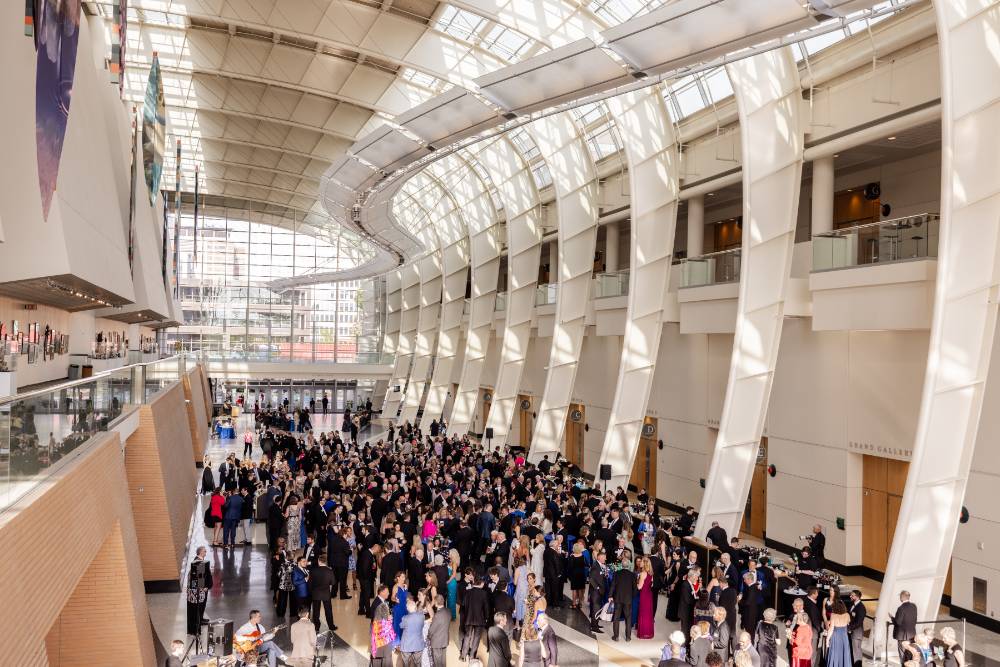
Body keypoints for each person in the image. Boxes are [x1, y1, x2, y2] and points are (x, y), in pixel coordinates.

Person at [462, 573, 491, 661]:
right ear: (481, 583)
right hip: (480, 619)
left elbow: (464, 605)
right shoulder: (484, 594)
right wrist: (487, 617)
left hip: (468, 617)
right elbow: (486, 607)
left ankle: (463, 656)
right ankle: (472, 656)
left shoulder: (468, 592)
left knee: (467, 637)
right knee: (476, 638)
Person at [186, 546, 213, 635]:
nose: (206, 552)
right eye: (204, 551)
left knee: (202, 605)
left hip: (202, 589)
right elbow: (199, 578)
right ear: (200, 552)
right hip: (201, 590)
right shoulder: (198, 563)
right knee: (201, 605)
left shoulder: (199, 561)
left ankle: (201, 618)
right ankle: (199, 620)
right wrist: (205, 587)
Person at [610, 557, 636, 641]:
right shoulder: (632, 575)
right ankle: (628, 637)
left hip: (617, 598)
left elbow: (613, 585)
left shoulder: (616, 573)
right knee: (628, 618)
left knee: (616, 617)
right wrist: (632, 596)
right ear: (628, 565)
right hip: (628, 599)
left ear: (621, 565)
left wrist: (610, 595)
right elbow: (635, 588)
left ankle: (616, 636)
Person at [309, 556, 337, 633]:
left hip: (316, 593)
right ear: (325, 562)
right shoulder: (329, 571)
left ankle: (317, 627)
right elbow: (333, 582)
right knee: (328, 610)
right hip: (326, 594)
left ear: (319, 561)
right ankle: (331, 626)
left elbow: (310, 583)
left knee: (316, 611)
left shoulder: (313, 570)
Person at [892, 590, 918, 661]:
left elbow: (898, 622)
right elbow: (914, 619)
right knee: (910, 653)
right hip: (912, 634)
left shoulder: (901, 608)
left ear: (902, 597)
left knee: (902, 654)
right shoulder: (914, 606)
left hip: (902, 635)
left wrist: (892, 618)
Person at [400, 598, 427, 667]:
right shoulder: (422, 616)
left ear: (407, 608)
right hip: (418, 644)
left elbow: (401, 626)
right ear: (415, 607)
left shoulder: (405, 618)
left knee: (406, 664)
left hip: (406, 645)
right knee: (418, 664)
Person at [825, 599, 852, 667]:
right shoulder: (847, 615)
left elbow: (831, 629)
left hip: (835, 637)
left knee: (835, 654)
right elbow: (848, 624)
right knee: (844, 653)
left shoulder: (833, 615)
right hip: (844, 637)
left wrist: (827, 640)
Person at [589, 550, 609, 632]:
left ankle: (595, 624)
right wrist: (597, 588)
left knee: (597, 609)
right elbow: (591, 579)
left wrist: (605, 574)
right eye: (604, 557)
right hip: (595, 592)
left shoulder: (600, 565)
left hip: (599, 591)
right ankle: (594, 627)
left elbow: (600, 576)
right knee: (595, 609)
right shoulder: (595, 565)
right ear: (599, 557)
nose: (605, 559)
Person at [428, 594, 451, 667]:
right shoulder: (448, 611)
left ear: (436, 603)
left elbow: (431, 630)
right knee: (443, 660)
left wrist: (428, 636)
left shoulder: (437, 615)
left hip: (437, 642)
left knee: (437, 661)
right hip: (445, 639)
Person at [357, 543, 380, 616]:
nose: (377, 553)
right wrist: (367, 579)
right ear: (375, 548)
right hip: (365, 578)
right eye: (378, 551)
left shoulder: (367, 553)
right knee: (366, 594)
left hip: (363, 577)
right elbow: (365, 568)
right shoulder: (368, 555)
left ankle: (361, 609)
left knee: (363, 593)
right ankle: (368, 612)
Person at [637, 556, 655, 639]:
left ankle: (643, 632)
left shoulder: (642, 574)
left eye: (641, 562)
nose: (640, 563)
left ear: (644, 563)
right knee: (648, 614)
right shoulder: (651, 574)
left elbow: (639, 587)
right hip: (649, 595)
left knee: (643, 613)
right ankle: (648, 632)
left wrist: (635, 582)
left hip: (643, 595)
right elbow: (652, 584)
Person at [847, 590, 865, 667]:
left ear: (857, 597)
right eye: (850, 595)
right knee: (852, 651)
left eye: (852, 595)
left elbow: (859, 622)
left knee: (857, 652)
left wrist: (849, 628)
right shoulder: (852, 605)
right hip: (851, 632)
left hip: (857, 633)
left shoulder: (861, 608)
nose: (850, 596)